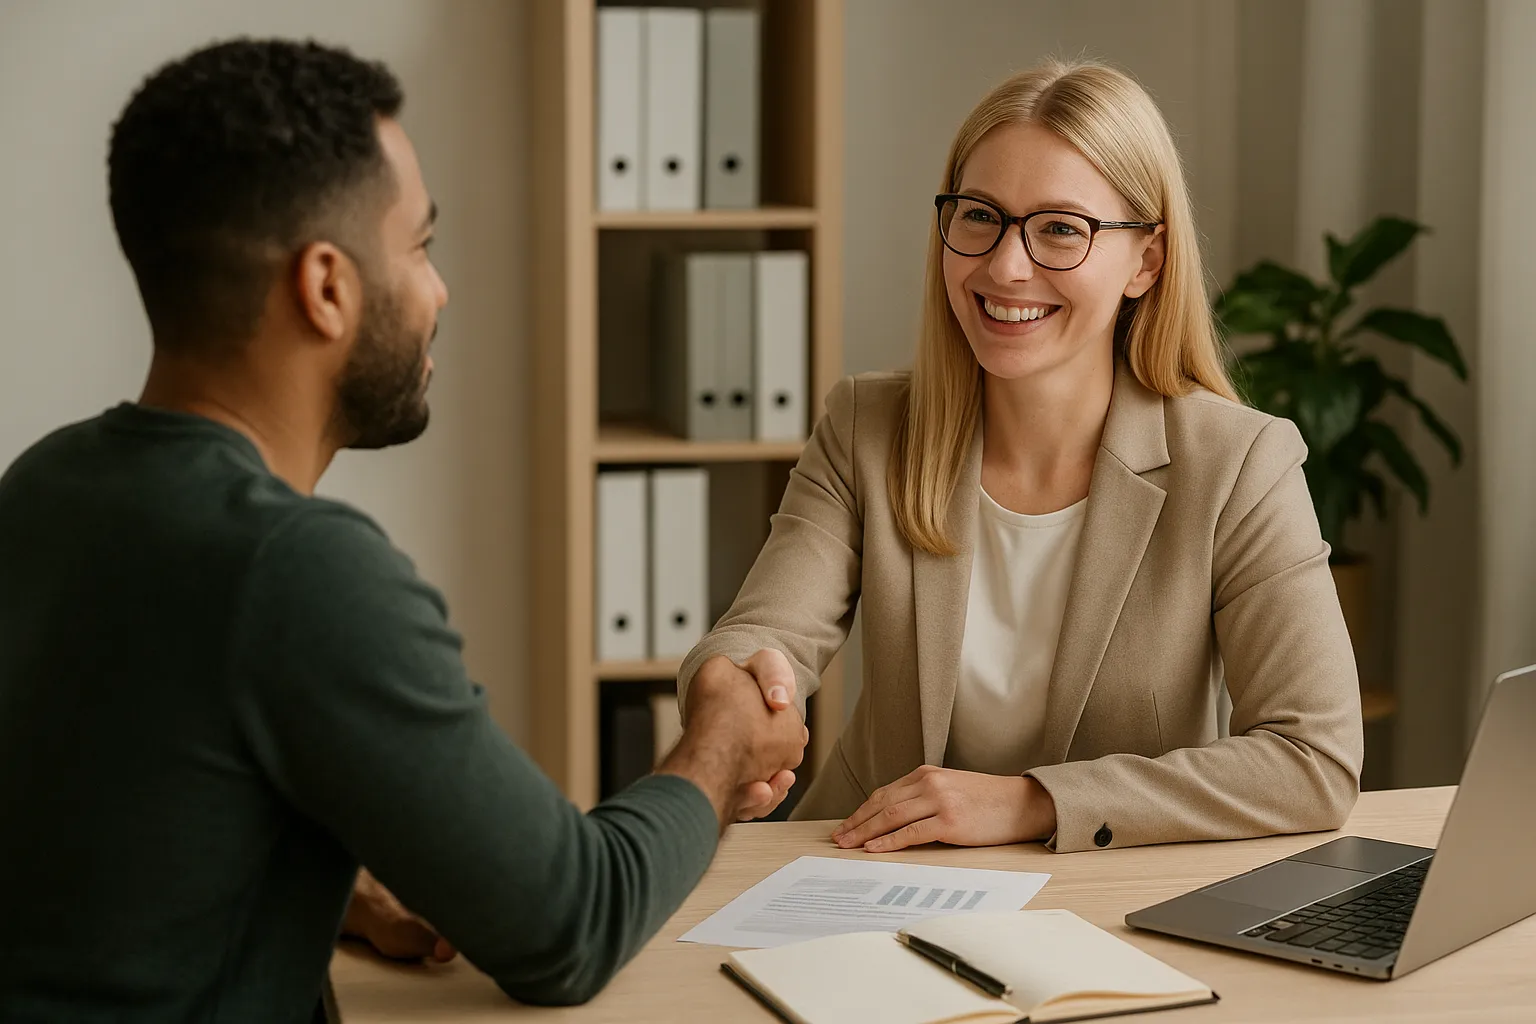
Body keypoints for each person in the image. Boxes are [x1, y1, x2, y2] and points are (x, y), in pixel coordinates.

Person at [0, 38, 806, 1022]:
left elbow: (116, 820)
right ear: (327, 286)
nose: (440, 290)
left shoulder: (46, 485)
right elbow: (572, 922)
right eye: (420, 246)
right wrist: (719, 746)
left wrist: (329, 888)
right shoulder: (295, 569)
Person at [678, 59, 1363, 855]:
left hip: (1108, 901)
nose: (1005, 265)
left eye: (1061, 229)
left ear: (1146, 262)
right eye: (980, 216)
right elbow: (767, 634)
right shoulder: (866, 426)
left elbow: (1312, 759)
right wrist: (735, 691)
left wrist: (1034, 803)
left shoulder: (1239, 463)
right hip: (863, 875)